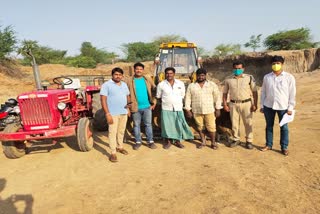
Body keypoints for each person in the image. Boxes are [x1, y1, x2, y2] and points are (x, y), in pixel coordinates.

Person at [260, 55, 296, 156]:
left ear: (282, 64)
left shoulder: (289, 77)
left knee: (284, 127)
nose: (276, 65)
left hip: (283, 107)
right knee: (269, 126)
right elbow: (263, 92)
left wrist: (290, 107)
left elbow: (292, 93)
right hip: (268, 105)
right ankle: (268, 144)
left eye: (278, 63)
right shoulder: (267, 77)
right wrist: (262, 105)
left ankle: (284, 147)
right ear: (271, 65)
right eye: (274, 64)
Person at [223, 61, 258, 149]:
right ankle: (236, 139)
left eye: (239, 68)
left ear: (243, 69)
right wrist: (225, 104)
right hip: (233, 104)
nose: (237, 70)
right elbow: (225, 93)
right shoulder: (228, 79)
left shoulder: (249, 78)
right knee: (234, 123)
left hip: (246, 103)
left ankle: (249, 141)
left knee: (248, 123)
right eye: (236, 68)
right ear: (233, 69)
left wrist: (255, 104)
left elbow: (254, 91)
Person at [156, 67, 194, 149]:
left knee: (178, 124)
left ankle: (177, 141)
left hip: (178, 108)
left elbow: (183, 96)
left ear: (174, 74)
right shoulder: (161, 85)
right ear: (165, 74)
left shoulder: (180, 83)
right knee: (167, 125)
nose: (169, 75)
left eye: (171, 73)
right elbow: (159, 97)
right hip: (166, 108)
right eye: (167, 73)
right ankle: (168, 141)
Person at [185, 68, 222, 149]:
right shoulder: (191, 86)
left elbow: (217, 97)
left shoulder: (212, 85)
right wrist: (188, 109)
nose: (201, 77)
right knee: (200, 127)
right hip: (197, 110)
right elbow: (188, 98)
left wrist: (218, 108)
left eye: (202, 75)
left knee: (211, 127)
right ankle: (203, 142)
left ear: (205, 75)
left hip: (209, 110)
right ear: (196, 76)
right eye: (199, 75)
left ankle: (213, 143)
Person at [100, 67, 131, 162]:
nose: (118, 76)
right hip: (112, 113)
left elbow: (127, 96)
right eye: (116, 74)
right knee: (112, 132)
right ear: (112, 75)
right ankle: (113, 152)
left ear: (122, 76)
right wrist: (107, 114)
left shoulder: (124, 84)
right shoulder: (106, 85)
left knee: (121, 131)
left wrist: (128, 109)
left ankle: (120, 147)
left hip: (123, 112)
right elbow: (103, 99)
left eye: (120, 75)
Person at [126, 62, 157, 150]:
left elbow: (155, 90)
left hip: (147, 107)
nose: (139, 71)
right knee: (136, 125)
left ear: (143, 70)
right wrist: (128, 107)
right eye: (137, 69)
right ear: (134, 70)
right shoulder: (129, 80)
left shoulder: (147, 79)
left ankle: (150, 141)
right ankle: (138, 142)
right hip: (135, 107)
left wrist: (154, 102)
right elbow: (125, 93)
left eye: (140, 69)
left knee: (148, 124)